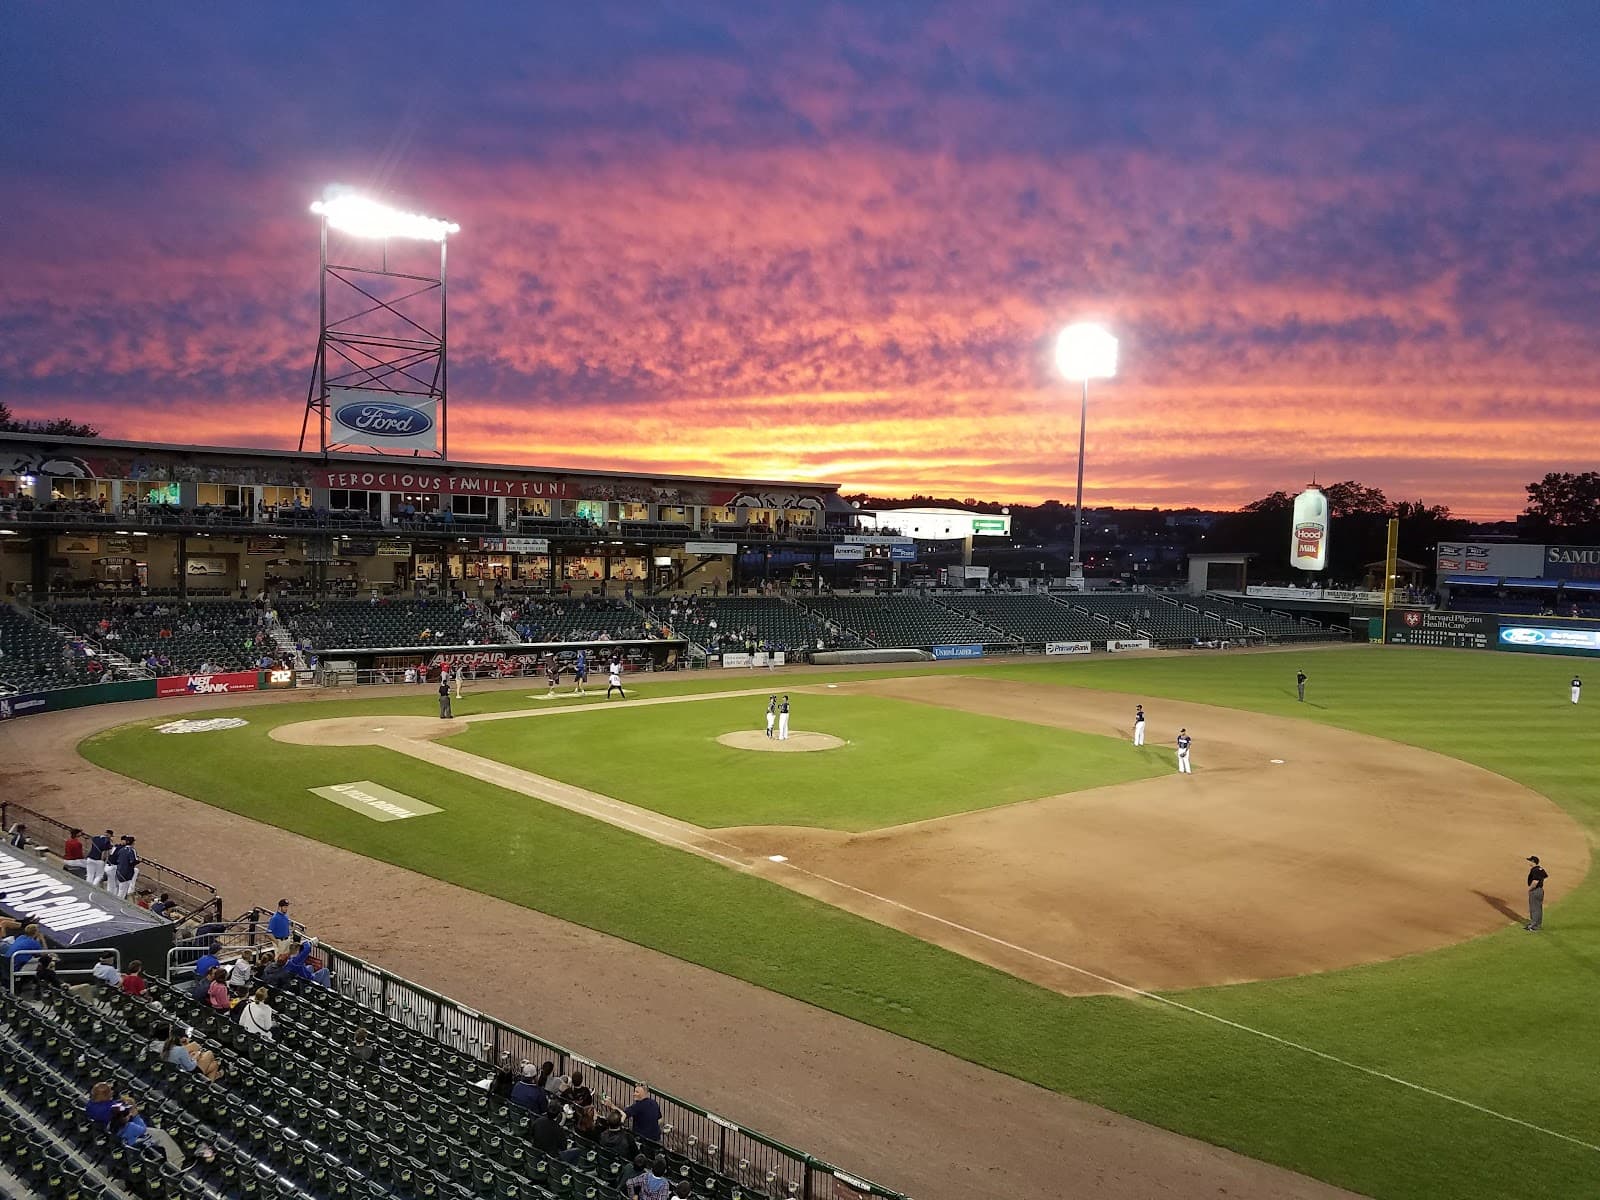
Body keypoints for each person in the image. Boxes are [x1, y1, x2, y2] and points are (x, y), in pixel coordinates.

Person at [110, 835, 140, 900]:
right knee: (122, 892)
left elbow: (118, 859)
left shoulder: (121, 849)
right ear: (133, 842)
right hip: (126, 874)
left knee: (119, 890)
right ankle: (116, 905)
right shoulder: (132, 850)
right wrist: (139, 861)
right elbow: (132, 861)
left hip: (119, 872)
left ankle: (115, 902)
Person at [1526, 855, 1548, 931]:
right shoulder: (1541, 869)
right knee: (1538, 908)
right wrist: (1540, 884)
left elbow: (1535, 881)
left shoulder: (1534, 870)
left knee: (1534, 908)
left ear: (1533, 862)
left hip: (1535, 891)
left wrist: (1530, 889)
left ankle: (1534, 926)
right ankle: (1537, 924)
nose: (1529, 862)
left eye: (1530, 861)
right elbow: (1545, 877)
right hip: (1540, 890)